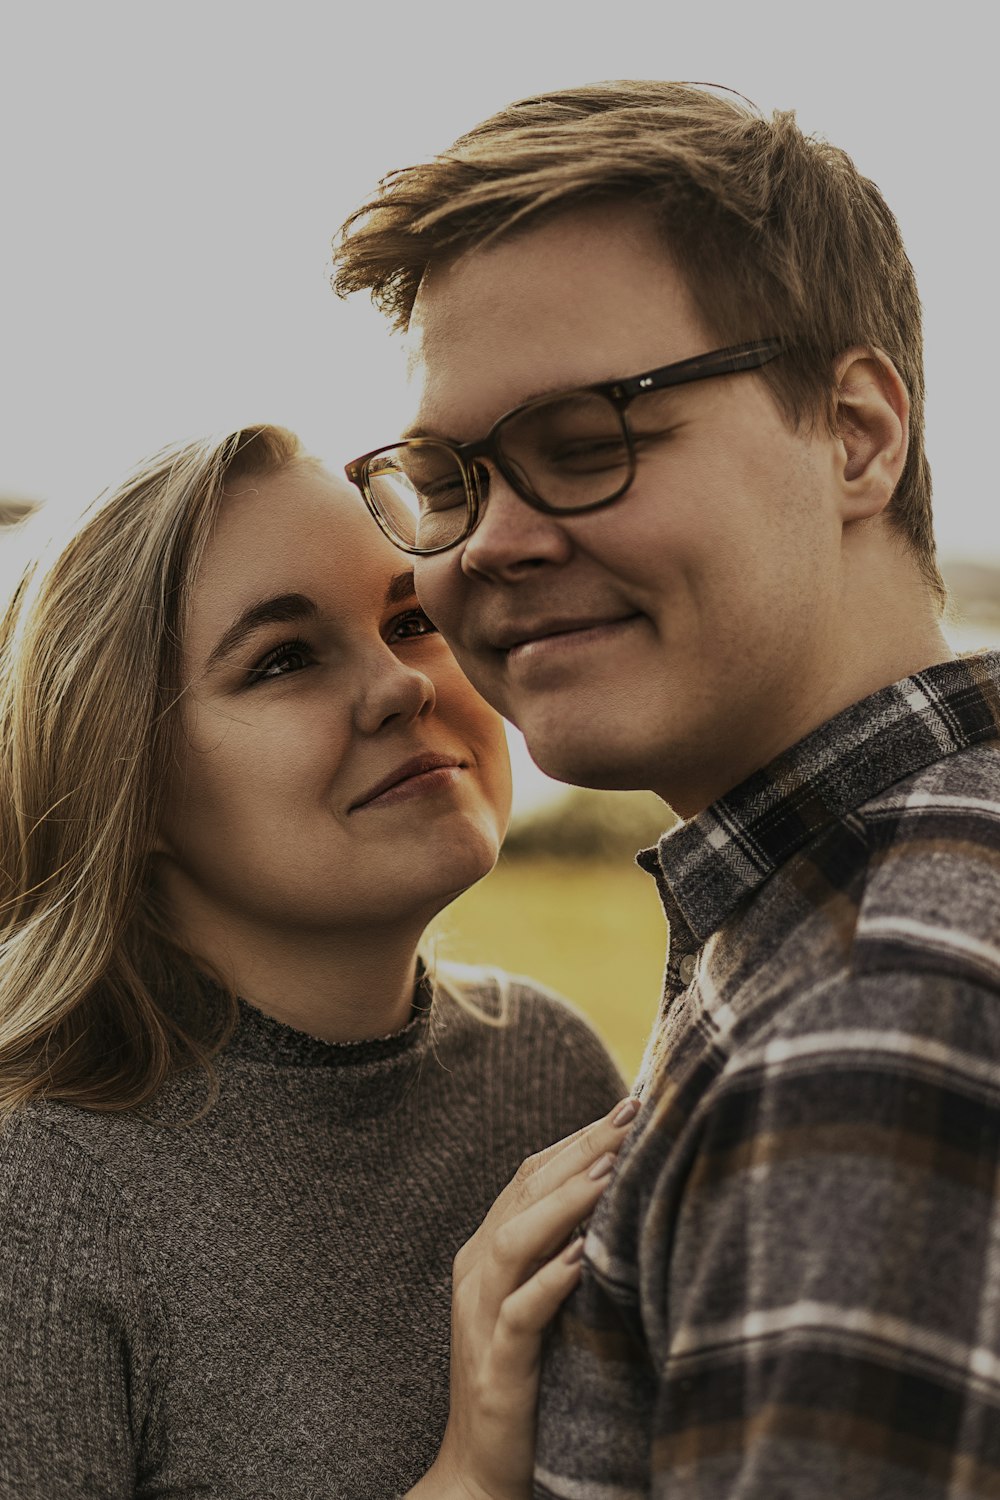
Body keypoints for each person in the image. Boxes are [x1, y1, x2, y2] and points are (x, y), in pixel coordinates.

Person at [333, 82, 1000, 1495]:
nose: (492, 545)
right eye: (449, 480)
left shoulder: (874, 1014)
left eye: (587, 442)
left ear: (859, 434)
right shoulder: (863, 901)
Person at [0, 423, 633, 1499]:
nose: (402, 685)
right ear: (124, 781)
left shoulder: (546, 1064)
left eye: (411, 617)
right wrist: (470, 1474)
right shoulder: (40, 1198)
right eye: (284, 658)